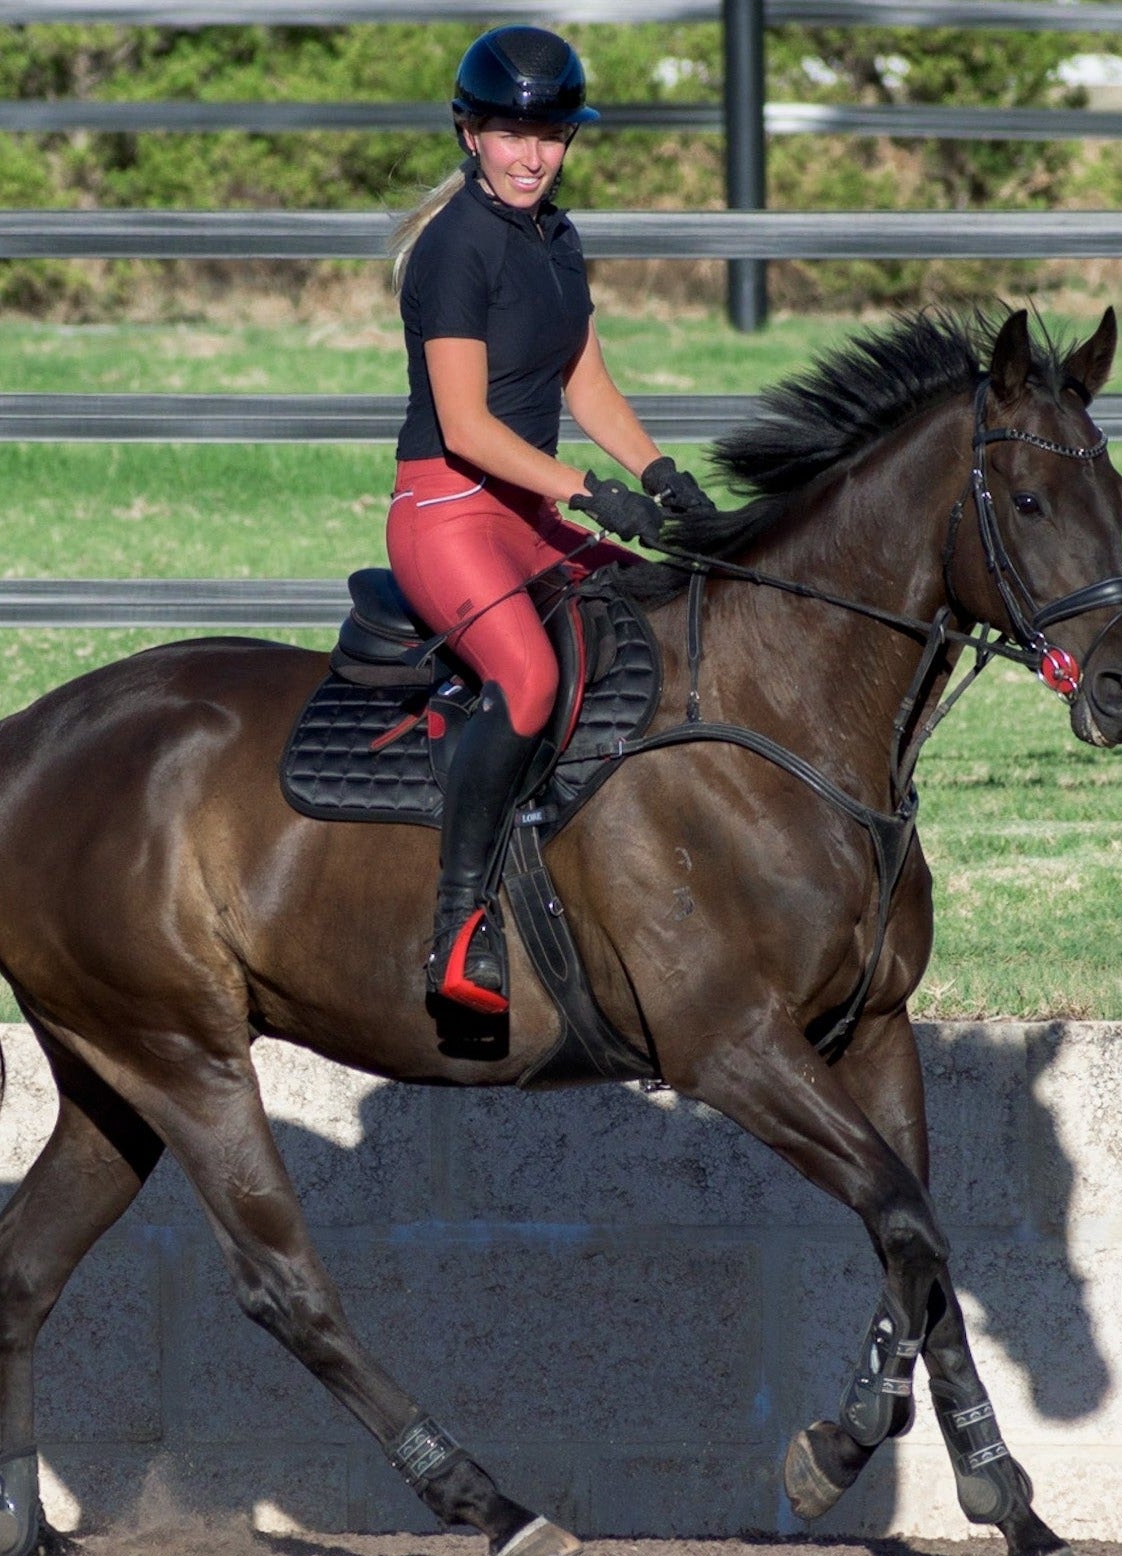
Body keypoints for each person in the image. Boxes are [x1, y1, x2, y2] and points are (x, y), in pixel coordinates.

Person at [386, 24, 716, 1017]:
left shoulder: (555, 237)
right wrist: (584, 490)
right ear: (469, 133)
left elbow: (585, 378)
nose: (531, 156)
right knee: (527, 677)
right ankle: (456, 927)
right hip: (448, 511)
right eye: (508, 135)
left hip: (526, 507)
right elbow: (465, 425)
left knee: (654, 610)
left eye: (551, 136)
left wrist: (659, 474)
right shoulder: (450, 251)